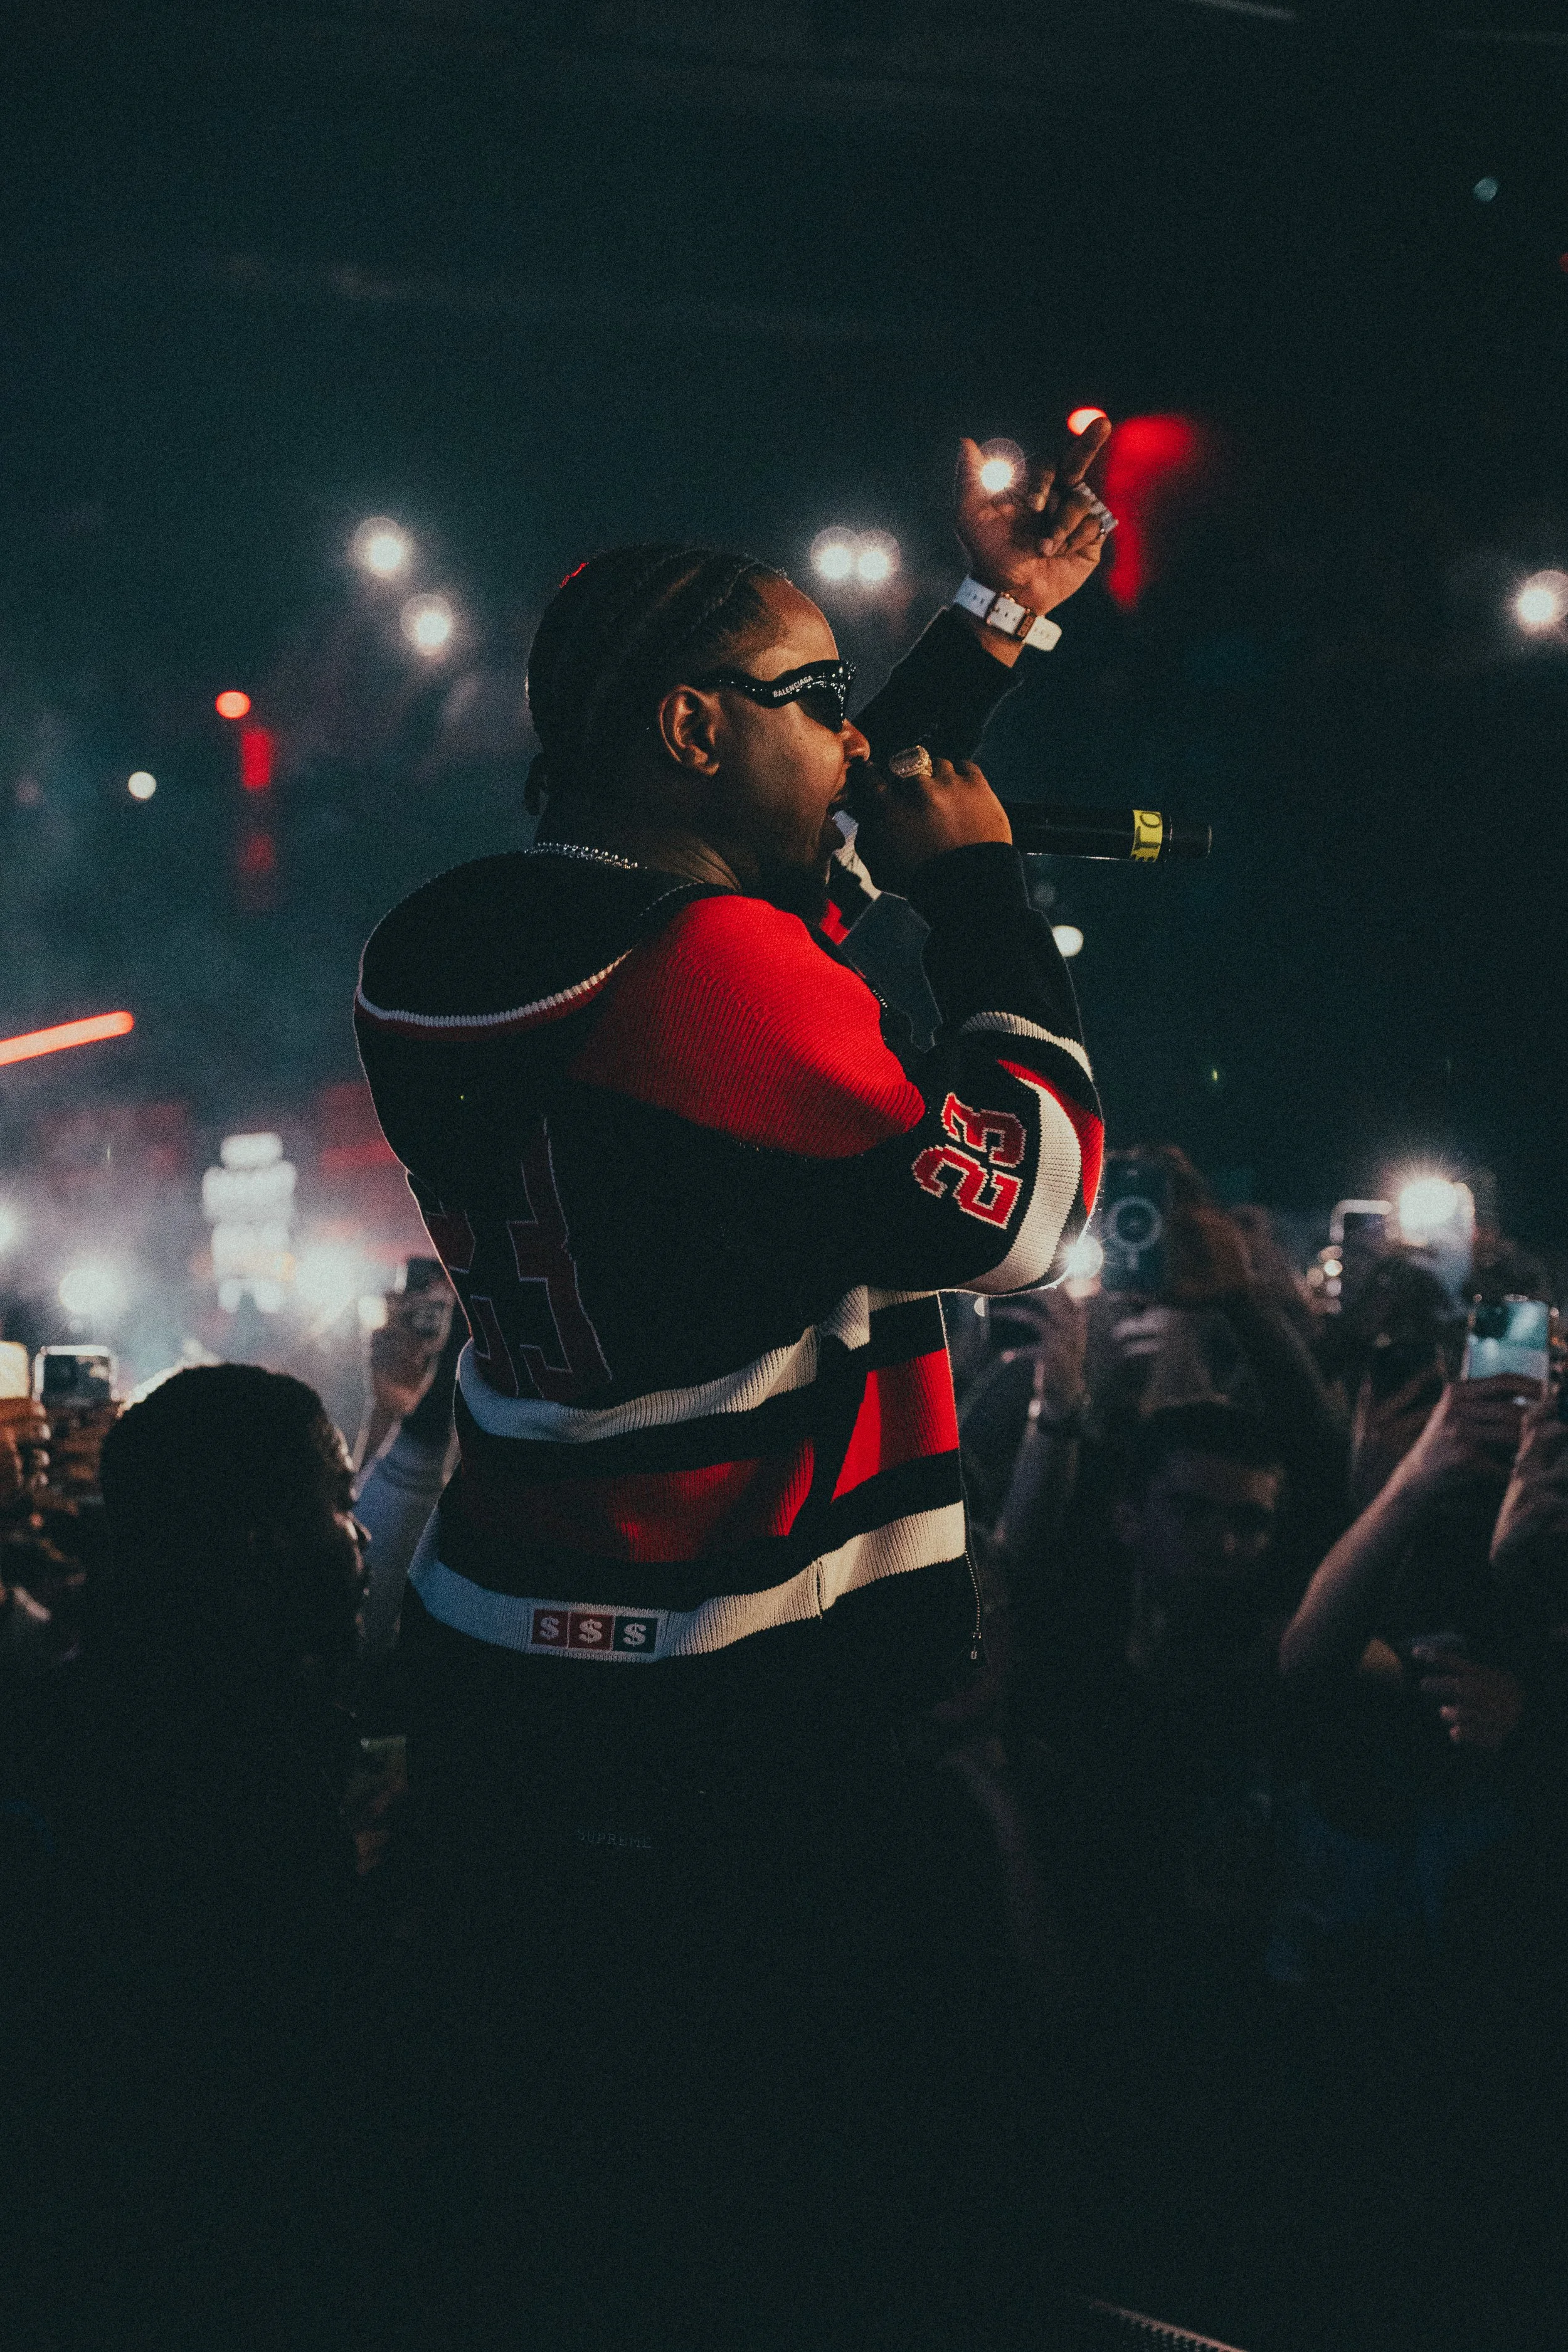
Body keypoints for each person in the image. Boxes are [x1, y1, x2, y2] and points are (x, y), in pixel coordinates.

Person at [353, 426, 1111, 2343]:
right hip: (735, 1713)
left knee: (547, 2208)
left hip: (506, 1669)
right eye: (815, 698)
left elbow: (796, 848)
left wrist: (998, 615)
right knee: (769, 2228)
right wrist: (993, 906)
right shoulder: (710, 974)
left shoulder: (450, 937)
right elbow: (1022, 1206)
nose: (856, 741)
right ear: (693, 732)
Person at [16, 1367, 401, 2351]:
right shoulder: (238, 1775)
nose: (359, 1542)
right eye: (341, 1507)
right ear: (259, 1544)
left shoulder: (70, 1718)